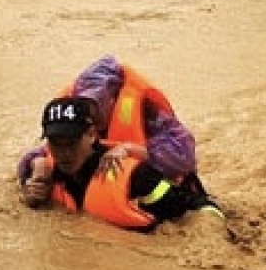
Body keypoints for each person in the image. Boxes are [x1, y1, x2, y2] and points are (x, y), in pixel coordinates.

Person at [19, 97, 216, 231]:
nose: (64, 152)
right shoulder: (43, 174)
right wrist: (30, 198)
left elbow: (203, 209)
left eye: (72, 142)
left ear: (91, 134)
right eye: (56, 142)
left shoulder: (135, 176)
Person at [15, 55, 205, 195]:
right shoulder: (74, 118)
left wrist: (128, 149)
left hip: (164, 188)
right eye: (83, 104)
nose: (88, 114)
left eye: (94, 104)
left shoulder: (147, 112)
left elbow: (184, 158)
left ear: (114, 99)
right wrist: (38, 164)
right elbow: (47, 149)